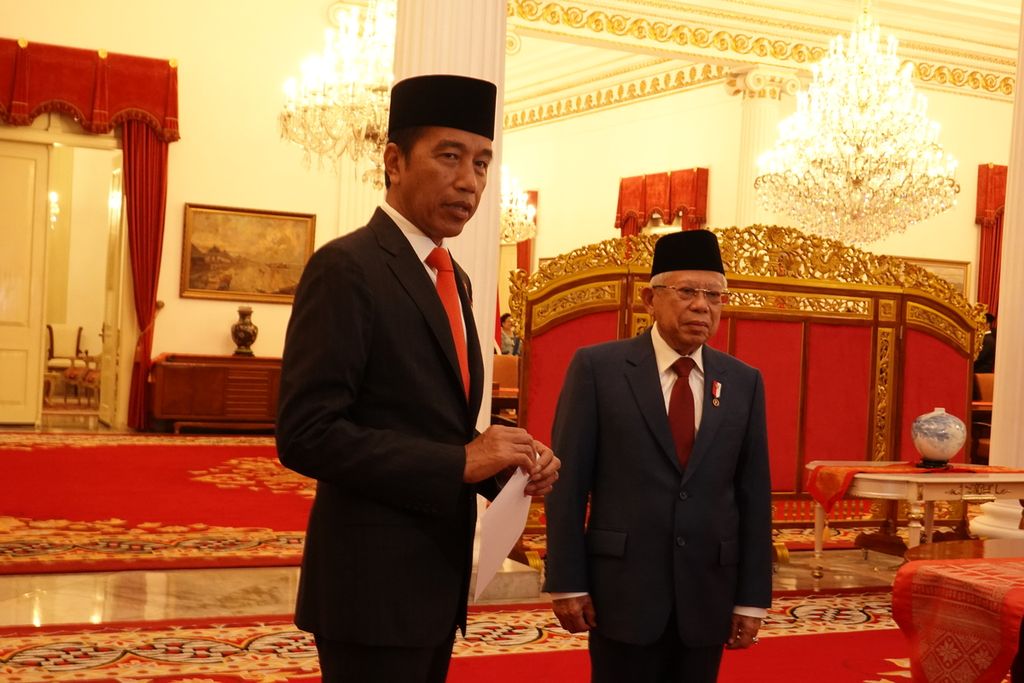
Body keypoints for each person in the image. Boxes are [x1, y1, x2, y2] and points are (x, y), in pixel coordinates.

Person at [276, 74, 560, 683]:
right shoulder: (347, 268)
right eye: (450, 156)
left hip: (436, 580)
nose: (470, 181)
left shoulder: (453, 278)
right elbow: (307, 434)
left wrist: (507, 462)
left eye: (482, 162)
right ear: (395, 161)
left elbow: (437, 422)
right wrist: (460, 461)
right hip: (368, 586)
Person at [543, 229, 772, 683]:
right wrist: (567, 582)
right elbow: (567, 488)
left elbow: (753, 494)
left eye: (715, 296)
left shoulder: (743, 381)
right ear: (650, 298)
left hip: (708, 592)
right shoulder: (598, 370)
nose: (702, 306)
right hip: (622, 591)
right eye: (687, 291)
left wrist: (751, 598)